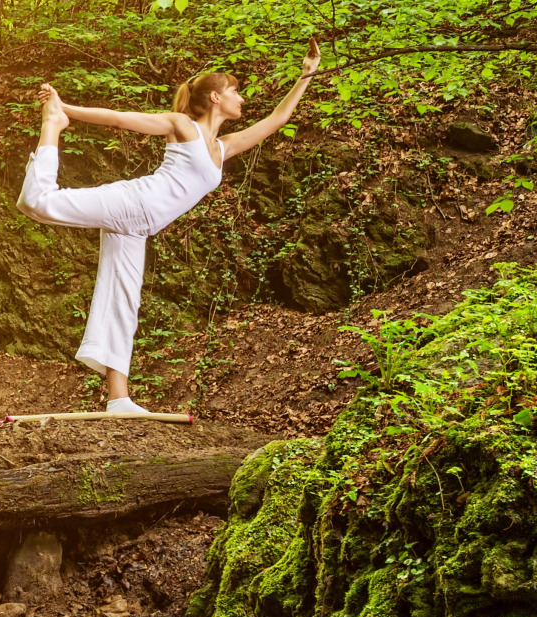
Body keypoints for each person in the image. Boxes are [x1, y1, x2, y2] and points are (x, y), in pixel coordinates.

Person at [18, 43, 320, 414]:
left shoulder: (222, 147)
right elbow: (119, 118)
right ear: (215, 97)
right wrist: (64, 109)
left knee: (123, 302)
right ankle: (52, 125)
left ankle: (119, 399)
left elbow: (277, 120)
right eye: (235, 92)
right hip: (133, 203)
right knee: (36, 202)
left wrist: (307, 72)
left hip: (138, 228)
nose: (241, 98)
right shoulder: (182, 126)